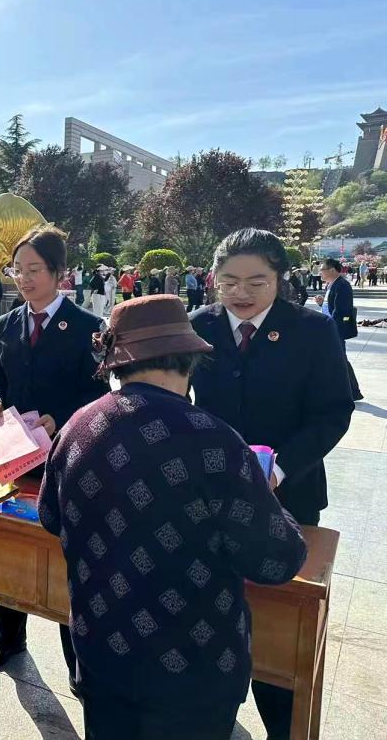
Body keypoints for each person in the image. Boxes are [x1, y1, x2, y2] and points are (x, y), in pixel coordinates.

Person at [38, 294, 308, 740]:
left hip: (102, 652)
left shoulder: (77, 427)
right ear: (188, 361)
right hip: (193, 669)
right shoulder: (216, 442)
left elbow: (50, 515)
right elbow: (276, 559)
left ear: (117, 363)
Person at [189, 229, 354, 739]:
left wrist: (280, 469)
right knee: (207, 606)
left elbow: (333, 412)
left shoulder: (312, 329)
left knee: (275, 619)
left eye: (256, 282)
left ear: (280, 279)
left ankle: (281, 723)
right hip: (210, 498)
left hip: (288, 496)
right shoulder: (198, 324)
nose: (240, 293)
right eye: (228, 281)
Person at [0, 227, 109, 682]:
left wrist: (60, 419)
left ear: (59, 273)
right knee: (13, 541)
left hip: (68, 456)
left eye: (34, 269)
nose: (24, 278)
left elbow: (98, 396)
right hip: (16, 456)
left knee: (64, 551)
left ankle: (76, 653)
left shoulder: (88, 328)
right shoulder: (6, 323)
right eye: (18, 269)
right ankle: (8, 635)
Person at [316, 258, 362, 401]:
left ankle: (353, 392)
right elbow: (331, 307)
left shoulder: (342, 285)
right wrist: (321, 304)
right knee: (334, 359)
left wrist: (330, 327)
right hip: (329, 327)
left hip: (335, 329)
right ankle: (347, 391)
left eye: (322, 270)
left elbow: (341, 310)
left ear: (332, 270)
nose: (320, 273)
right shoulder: (331, 285)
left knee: (339, 359)